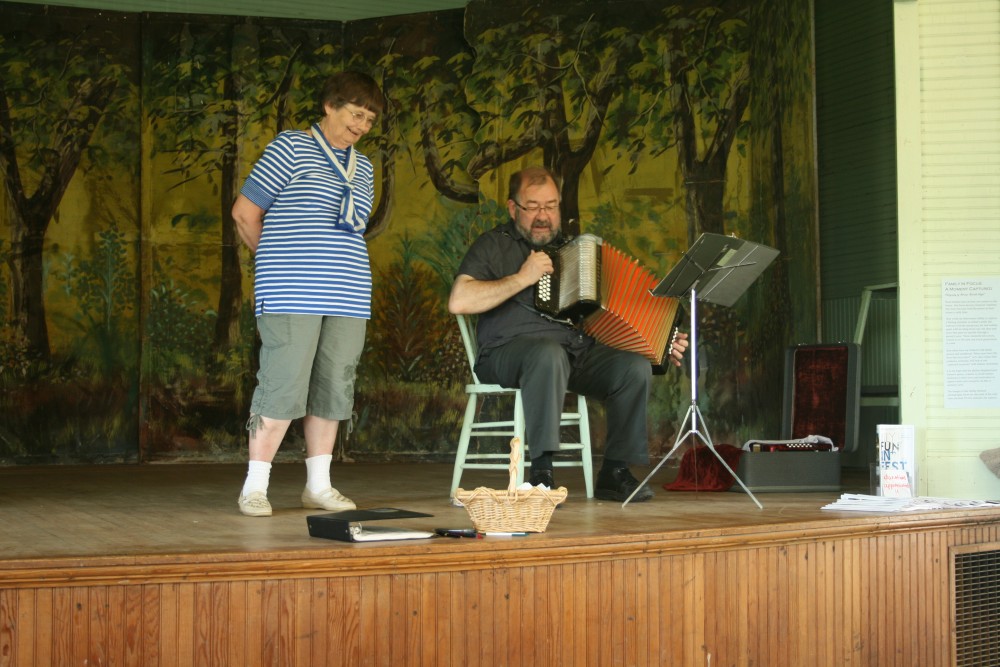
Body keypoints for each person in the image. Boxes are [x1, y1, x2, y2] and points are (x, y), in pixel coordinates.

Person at [448, 166, 689, 502]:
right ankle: (541, 474)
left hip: (573, 353)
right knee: (546, 353)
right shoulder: (493, 246)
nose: (543, 216)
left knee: (632, 368)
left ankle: (615, 472)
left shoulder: (577, 255)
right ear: (512, 208)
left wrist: (660, 339)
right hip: (506, 353)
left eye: (551, 205)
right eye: (532, 207)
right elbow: (459, 300)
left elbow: (609, 317)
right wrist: (522, 277)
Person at [231, 71, 385, 517]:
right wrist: (278, 262)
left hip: (348, 292)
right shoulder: (290, 147)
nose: (361, 126)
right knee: (282, 384)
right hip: (292, 291)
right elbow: (245, 213)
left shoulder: (365, 166)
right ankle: (255, 486)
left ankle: (319, 485)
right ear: (329, 106)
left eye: (369, 121)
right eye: (356, 115)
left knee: (335, 387)